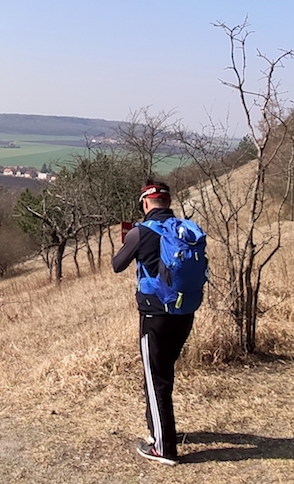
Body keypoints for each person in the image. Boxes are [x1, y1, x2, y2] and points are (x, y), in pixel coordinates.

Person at [112, 179, 194, 466]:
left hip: (154, 316)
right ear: (168, 203)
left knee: (155, 378)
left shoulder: (140, 232)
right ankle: (159, 429)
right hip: (185, 313)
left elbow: (117, 264)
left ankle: (164, 447)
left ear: (145, 204)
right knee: (163, 374)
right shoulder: (185, 230)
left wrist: (127, 240)